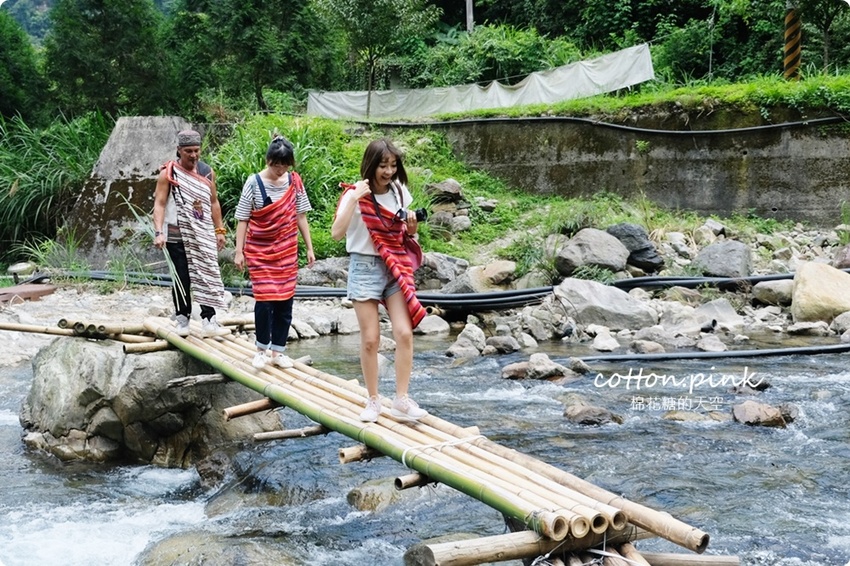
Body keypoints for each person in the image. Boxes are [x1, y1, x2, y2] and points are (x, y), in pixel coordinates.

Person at [331, 138, 428, 422]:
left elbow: (406, 235)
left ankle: (401, 399)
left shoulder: (399, 192)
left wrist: (411, 231)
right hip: (364, 266)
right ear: (371, 165)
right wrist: (354, 199)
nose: (388, 171)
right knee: (371, 339)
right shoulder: (354, 192)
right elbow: (337, 233)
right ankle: (373, 400)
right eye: (383, 165)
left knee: (404, 333)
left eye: (393, 165)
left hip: (394, 266)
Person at [233, 135, 315, 369]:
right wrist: (239, 252)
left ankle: (278, 352)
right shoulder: (253, 183)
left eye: (285, 164)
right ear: (268, 160)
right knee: (265, 300)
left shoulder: (294, 182)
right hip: (260, 250)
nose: (280, 169)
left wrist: (309, 247)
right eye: (276, 164)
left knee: (285, 302)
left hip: (287, 251)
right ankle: (261, 350)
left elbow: (301, 215)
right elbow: (243, 218)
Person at [152, 129, 230, 338]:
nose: (193, 155)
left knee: (206, 274)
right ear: (179, 150)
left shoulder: (207, 172)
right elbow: (159, 204)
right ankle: (182, 318)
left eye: (196, 150)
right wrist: (159, 232)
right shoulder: (169, 173)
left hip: (202, 233)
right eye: (188, 151)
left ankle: (209, 319)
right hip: (177, 234)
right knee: (182, 277)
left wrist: (219, 230)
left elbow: (213, 202)